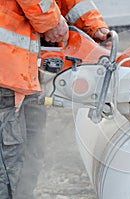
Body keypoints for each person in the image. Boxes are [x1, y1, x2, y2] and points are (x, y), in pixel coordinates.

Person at [0, 0, 109, 198]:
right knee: (8, 157)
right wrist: (51, 22)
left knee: (30, 148)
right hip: (6, 70)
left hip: (23, 70)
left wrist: (94, 26)